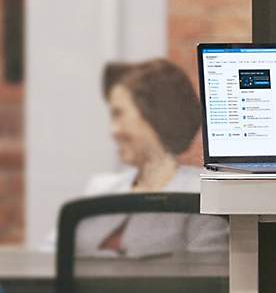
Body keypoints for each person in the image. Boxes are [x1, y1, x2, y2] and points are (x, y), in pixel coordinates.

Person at [45, 58, 227, 257]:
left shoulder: (203, 194)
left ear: (155, 114)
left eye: (119, 114)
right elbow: (49, 256)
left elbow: (209, 278)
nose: (113, 130)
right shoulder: (102, 188)